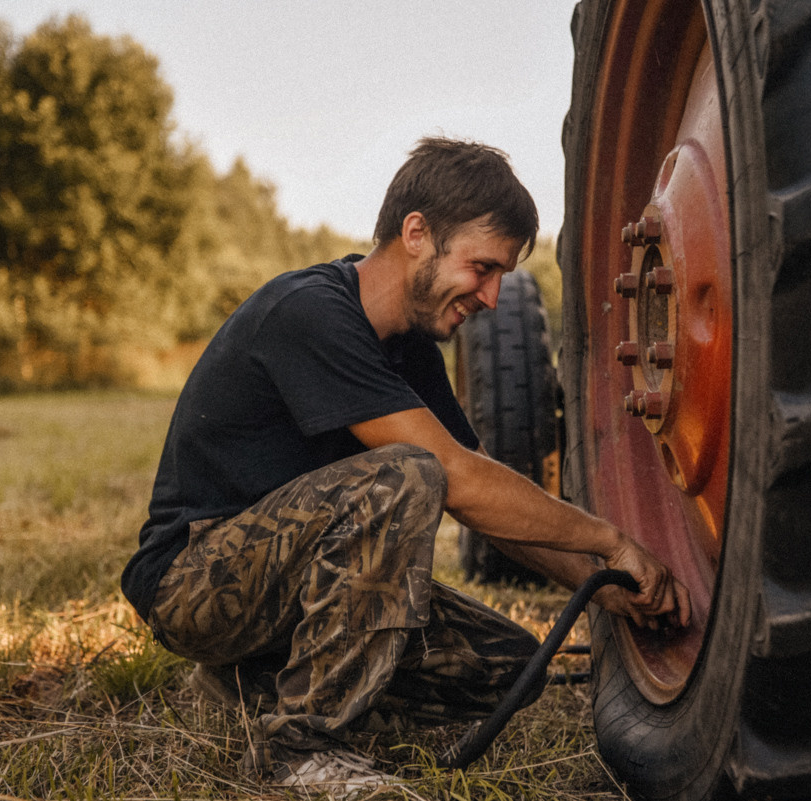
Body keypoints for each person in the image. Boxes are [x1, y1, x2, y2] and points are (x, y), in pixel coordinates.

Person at [120, 136, 691, 794]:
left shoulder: (411, 344)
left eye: (502, 274)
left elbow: (486, 502)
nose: (493, 297)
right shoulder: (310, 311)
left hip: (287, 584)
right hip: (191, 578)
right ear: (417, 232)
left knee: (511, 668)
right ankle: (302, 750)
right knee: (410, 475)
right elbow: (454, 476)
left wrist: (607, 581)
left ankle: (252, 676)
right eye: (482, 267)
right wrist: (611, 538)